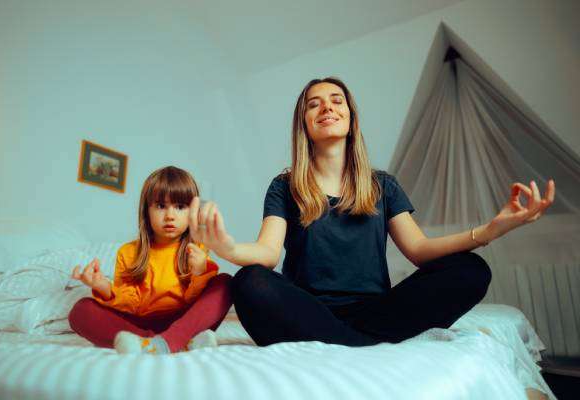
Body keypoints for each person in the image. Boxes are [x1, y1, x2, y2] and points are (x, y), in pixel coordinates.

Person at [187, 77, 555, 347]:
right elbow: (267, 254)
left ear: (350, 118)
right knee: (249, 282)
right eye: (314, 104)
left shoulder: (383, 185)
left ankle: (343, 340)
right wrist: (227, 248)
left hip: (377, 311)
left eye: (336, 100)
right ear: (305, 124)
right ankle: (360, 342)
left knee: (471, 270)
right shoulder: (284, 186)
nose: (327, 107)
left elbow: (420, 250)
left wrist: (491, 229)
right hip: (308, 311)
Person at [68, 166, 232, 354]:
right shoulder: (128, 252)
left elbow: (195, 301)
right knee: (80, 311)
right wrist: (105, 288)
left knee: (225, 282)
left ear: (191, 212)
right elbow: (132, 304)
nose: (170, 215)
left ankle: (170, 340)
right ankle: (162, 342)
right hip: (141, 322)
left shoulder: (197, 249)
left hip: (185, 321)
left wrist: (200, 272)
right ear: (147, 210)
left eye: (180, 207)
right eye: (161, 206)